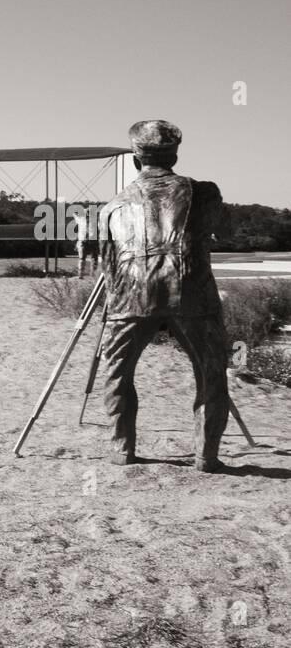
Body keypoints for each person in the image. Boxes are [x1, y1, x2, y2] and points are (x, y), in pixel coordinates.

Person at [100, 120, 231, 472]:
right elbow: (223, 231)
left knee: (116, 375)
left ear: (135, 158)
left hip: (129, 296)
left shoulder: (111, 206)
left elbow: (108, 265)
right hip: (192, 295)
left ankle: (121, 449)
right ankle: (206, 456)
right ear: (175, 154)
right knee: (211, 374)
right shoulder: (204, 192)